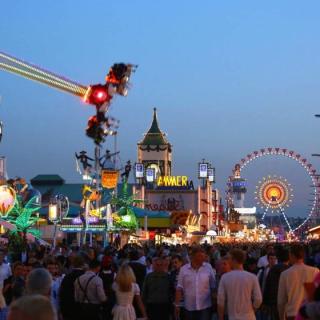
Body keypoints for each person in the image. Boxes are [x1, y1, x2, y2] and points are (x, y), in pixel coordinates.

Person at [217, 249, 262, 320]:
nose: (228, 261)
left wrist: (220, 317)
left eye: (229, 259)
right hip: (249, 316)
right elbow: (258, 299)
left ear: (234, 260)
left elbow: (220, 301)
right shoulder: (252, 277)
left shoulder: (225, 277)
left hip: (233, 317)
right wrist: (252, 310)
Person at [278, 244, 319, 320]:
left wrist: (281, 317)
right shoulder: (315, 271)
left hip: (292, 313)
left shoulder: (285, 274)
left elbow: (281, 301)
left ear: (292, 255)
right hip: (309, 313)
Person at [175, 246, 216, 320]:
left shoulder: (208, 267)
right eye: (200, 256)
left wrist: (214, 302)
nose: (203, 258)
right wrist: (177, 305)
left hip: (205, 306)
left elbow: (213, 285)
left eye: (203, 256)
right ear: (193, 256)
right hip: (189, 306)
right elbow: (179, 288)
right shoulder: (184, 269)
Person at [263, 248, 290, 320]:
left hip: (274, 302)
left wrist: (265, 302)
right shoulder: (290, 269)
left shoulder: (273, 269)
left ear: (277, 258)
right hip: (288, 302)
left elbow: (268, 286)